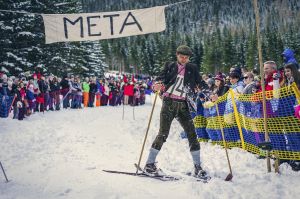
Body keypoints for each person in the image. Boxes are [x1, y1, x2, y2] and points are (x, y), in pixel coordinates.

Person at [144, 45, 207, 178]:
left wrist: (210, 93)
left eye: (186, 57)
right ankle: (149, 164)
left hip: (184, 105)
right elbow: (160, 78)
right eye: (181, 56)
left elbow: (200, 82)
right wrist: (157, 84)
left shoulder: (192, 68)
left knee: (192, 134)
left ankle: (198, 167)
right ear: (177, 55)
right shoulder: (170, 65)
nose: (184, 59)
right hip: (169, 103)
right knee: (163, 134)